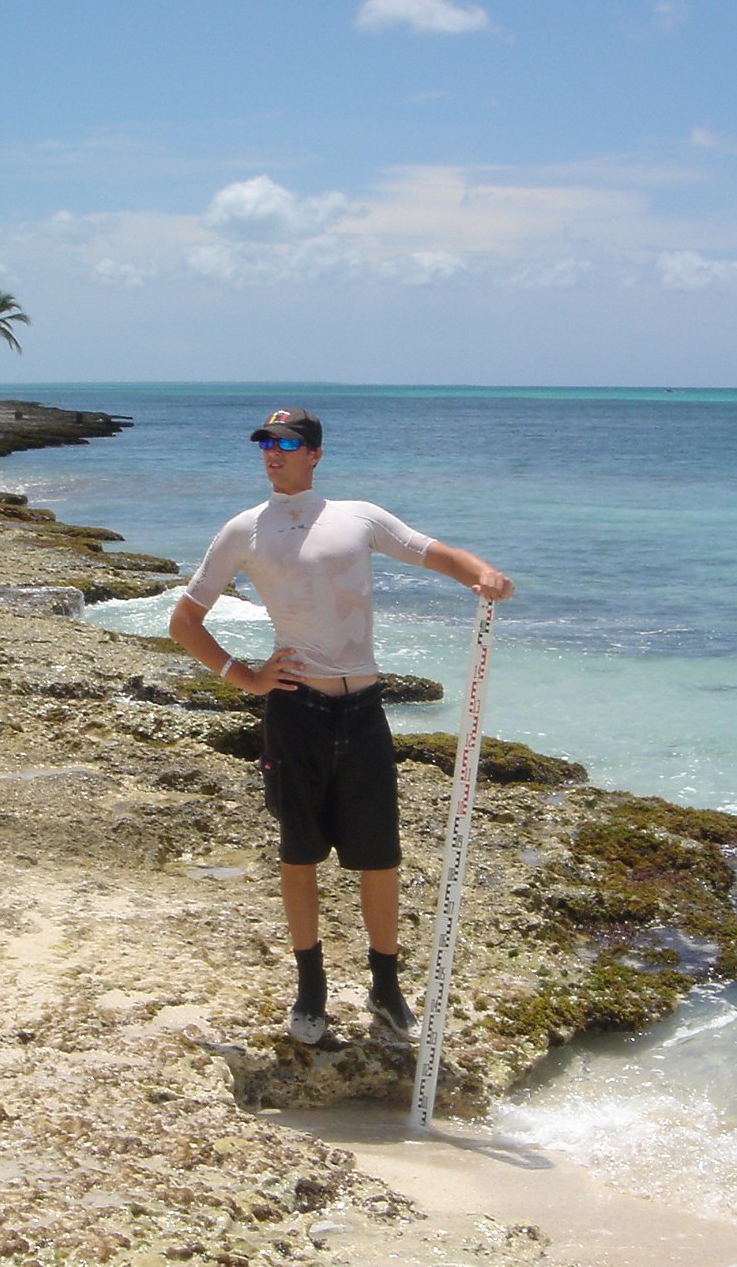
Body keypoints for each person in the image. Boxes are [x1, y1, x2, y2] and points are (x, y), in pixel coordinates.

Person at [169, 407, 513, 1045]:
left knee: (378, 856)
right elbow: (184, 621)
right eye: (266, 442)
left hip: (363, 710)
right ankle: (311, 990)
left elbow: (432, 552)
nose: (273, 452)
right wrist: (242, 676)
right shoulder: (245, 529)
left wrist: (480, 575)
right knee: (299, 853)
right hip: (295, 712)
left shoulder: (358, 517)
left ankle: (386, 988)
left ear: (315, 453)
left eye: (287, 442)